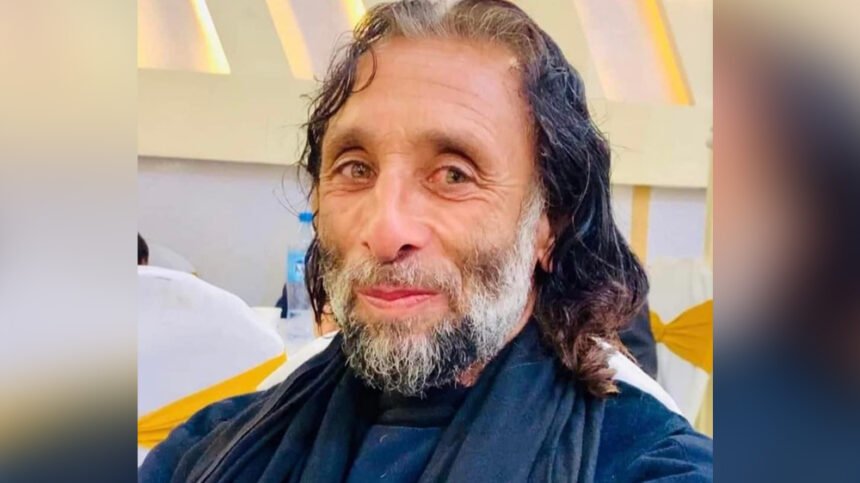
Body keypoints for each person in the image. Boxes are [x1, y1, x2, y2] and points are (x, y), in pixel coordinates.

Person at [140, 1, 712, 481]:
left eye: (454, 175)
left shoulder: (645, 464)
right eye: (356, 168)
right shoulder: (214, 447)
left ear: (549, 223)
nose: (385, 231)